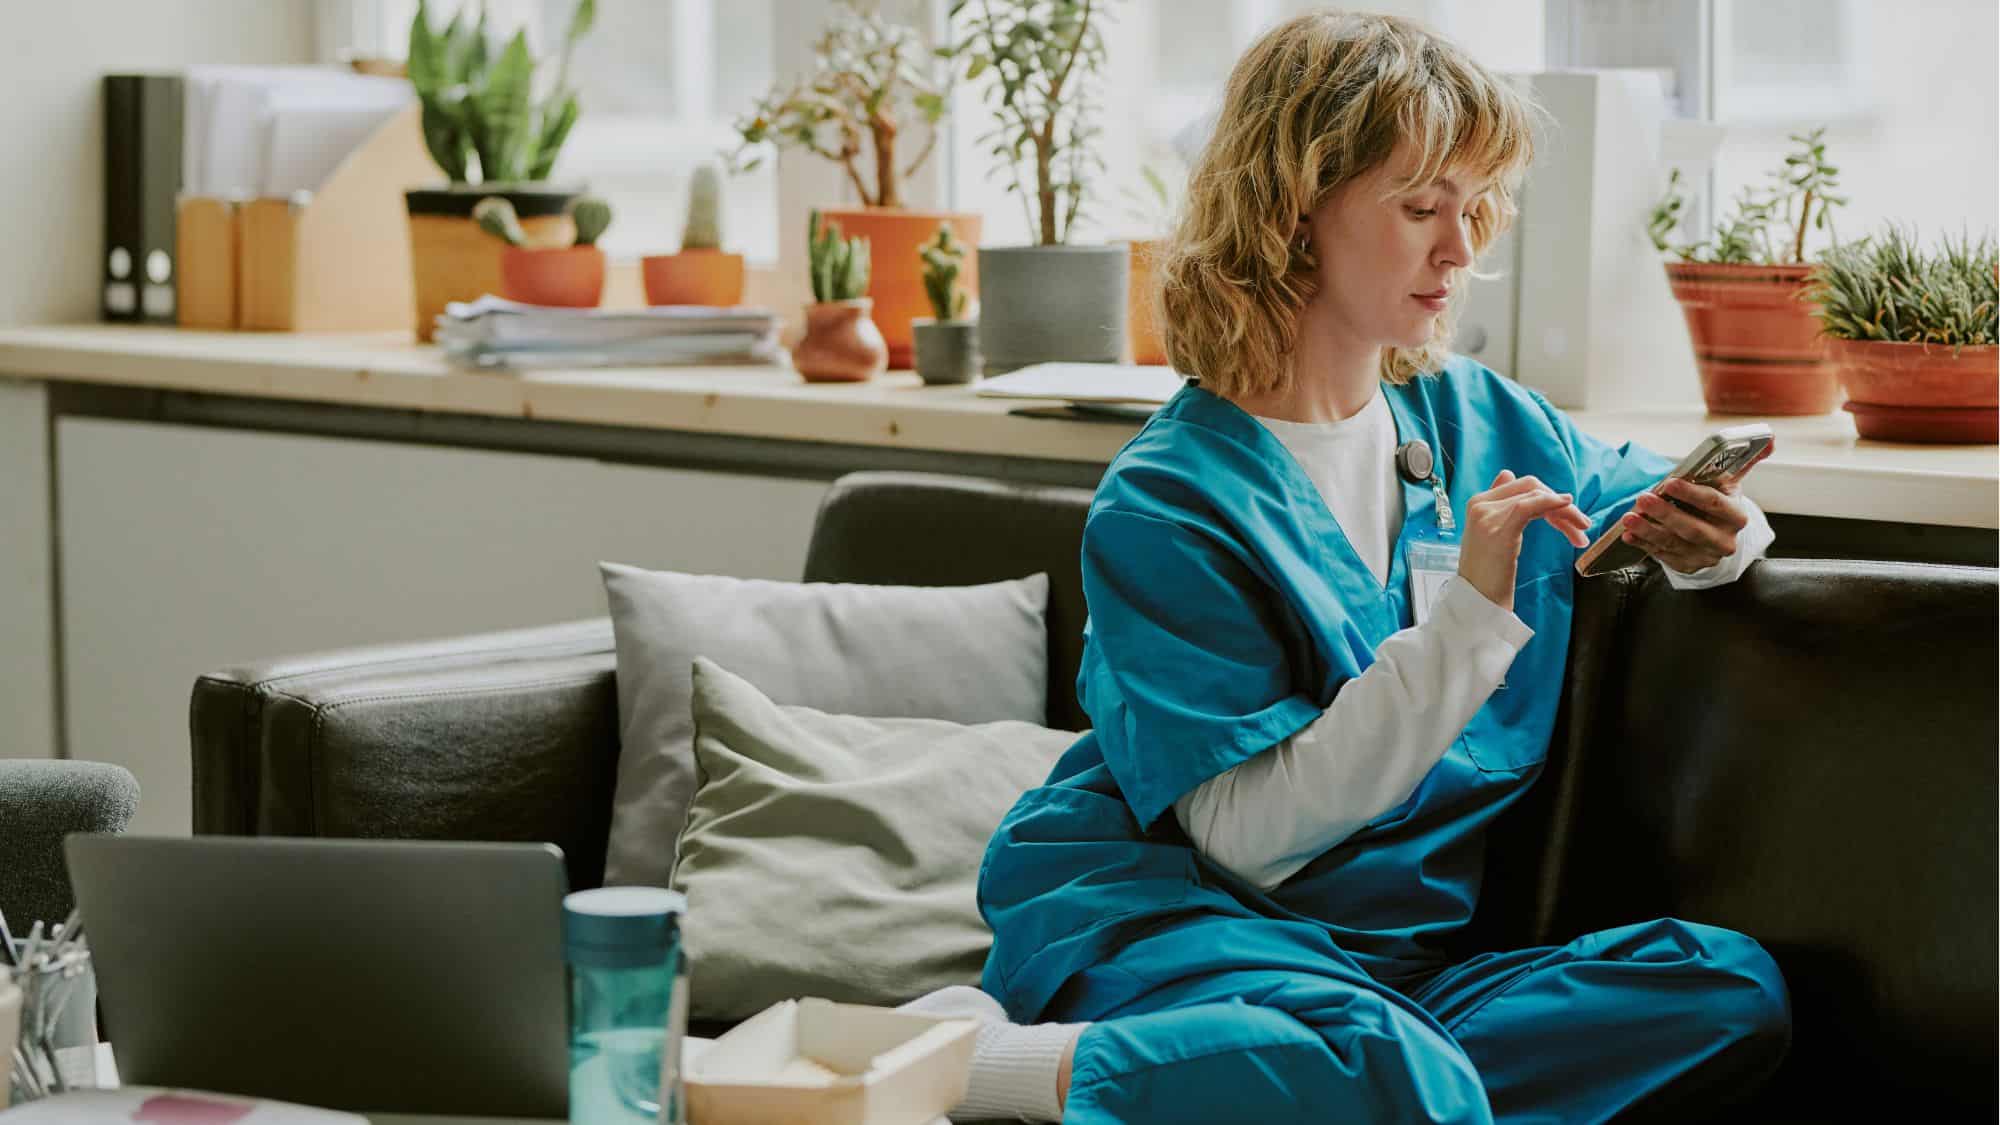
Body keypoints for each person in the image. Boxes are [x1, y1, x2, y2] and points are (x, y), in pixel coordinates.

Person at [904, 10, 1791, 1123]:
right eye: (1421, 206)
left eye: (1475, 207)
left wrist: (1721, 544)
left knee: (1722, 990)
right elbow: (1247, 842)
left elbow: (1656, 494)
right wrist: (1470, 613)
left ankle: (1330, 1087)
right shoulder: (1170, 501)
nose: (1459, 250)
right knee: (1390, 1065)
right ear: (1290, 212)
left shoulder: (1480, 419)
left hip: (1398, 968)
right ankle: (967, 1066)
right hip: (1184, 923)